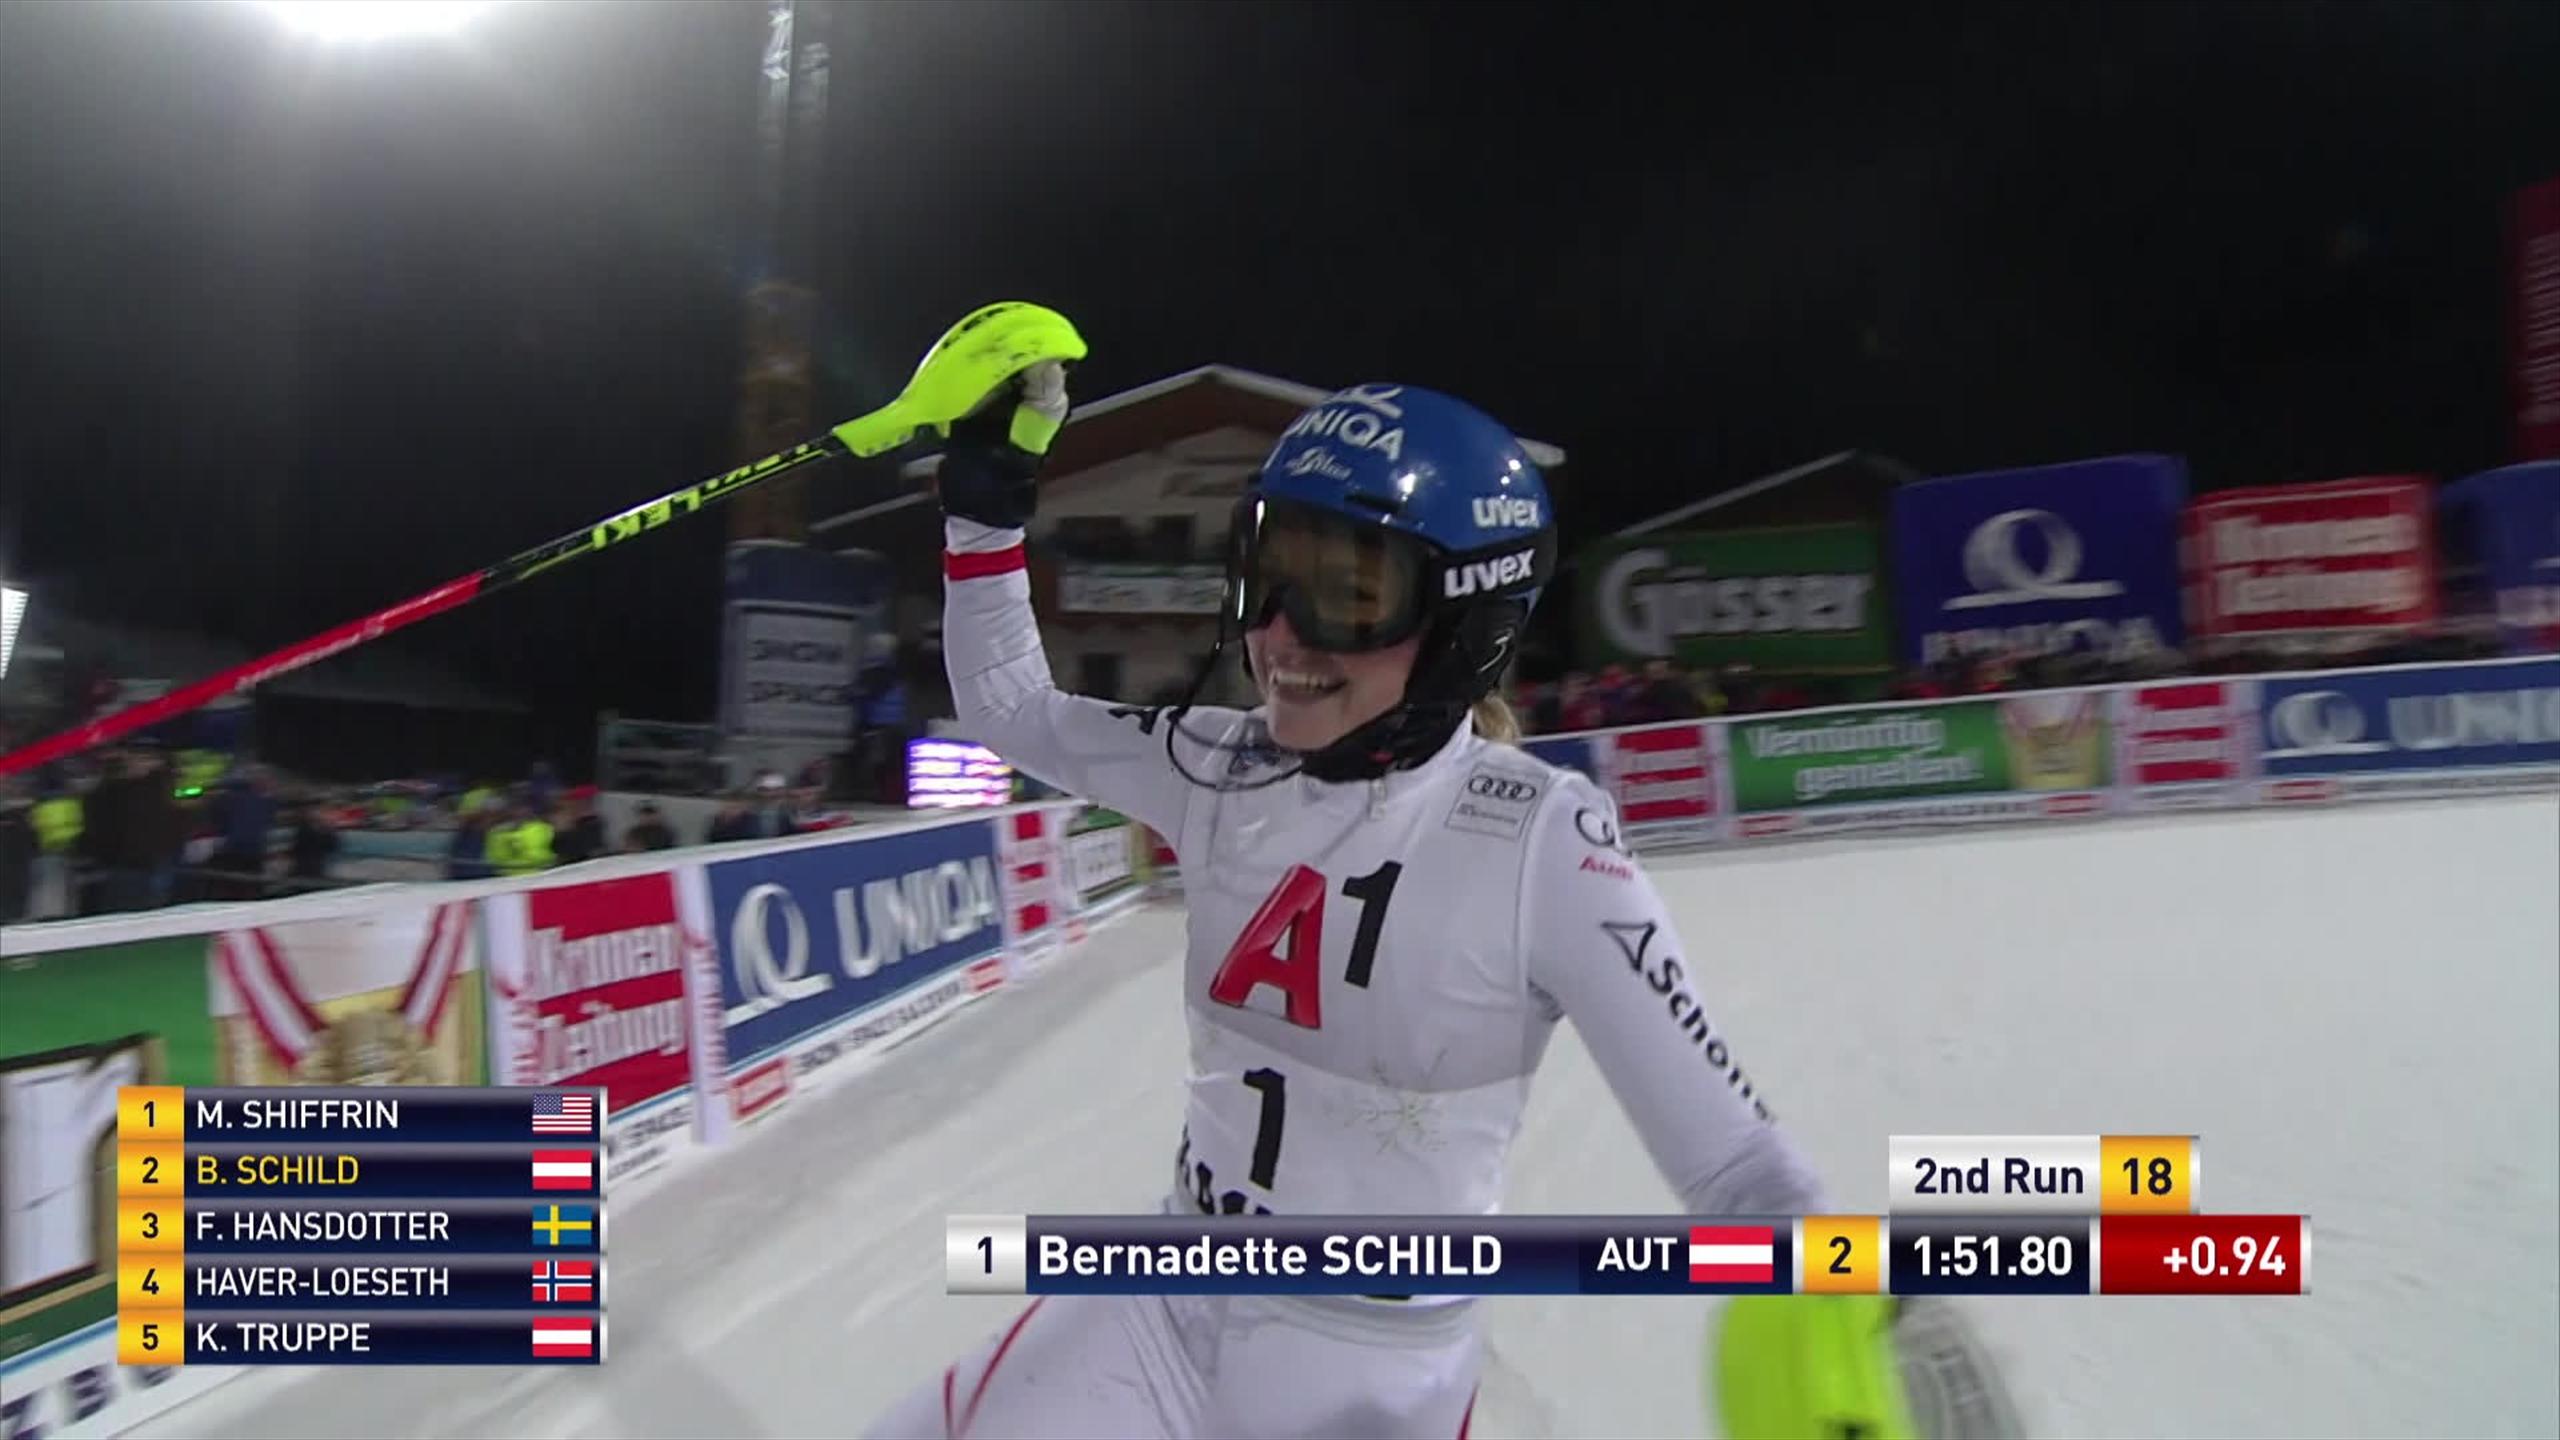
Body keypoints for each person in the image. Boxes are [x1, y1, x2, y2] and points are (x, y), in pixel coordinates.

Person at [866, 342, 1965, 1440]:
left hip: (1369, 1374)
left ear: (1465, 626)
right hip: (1166, 1299)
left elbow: (1738, 1166)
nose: (1280, 634)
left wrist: (1818, 1293)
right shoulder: (1214, 763)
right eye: (1265, 570)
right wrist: (985, 518)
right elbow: (1014, 710)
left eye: (1348, 595)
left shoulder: (1543, 843)